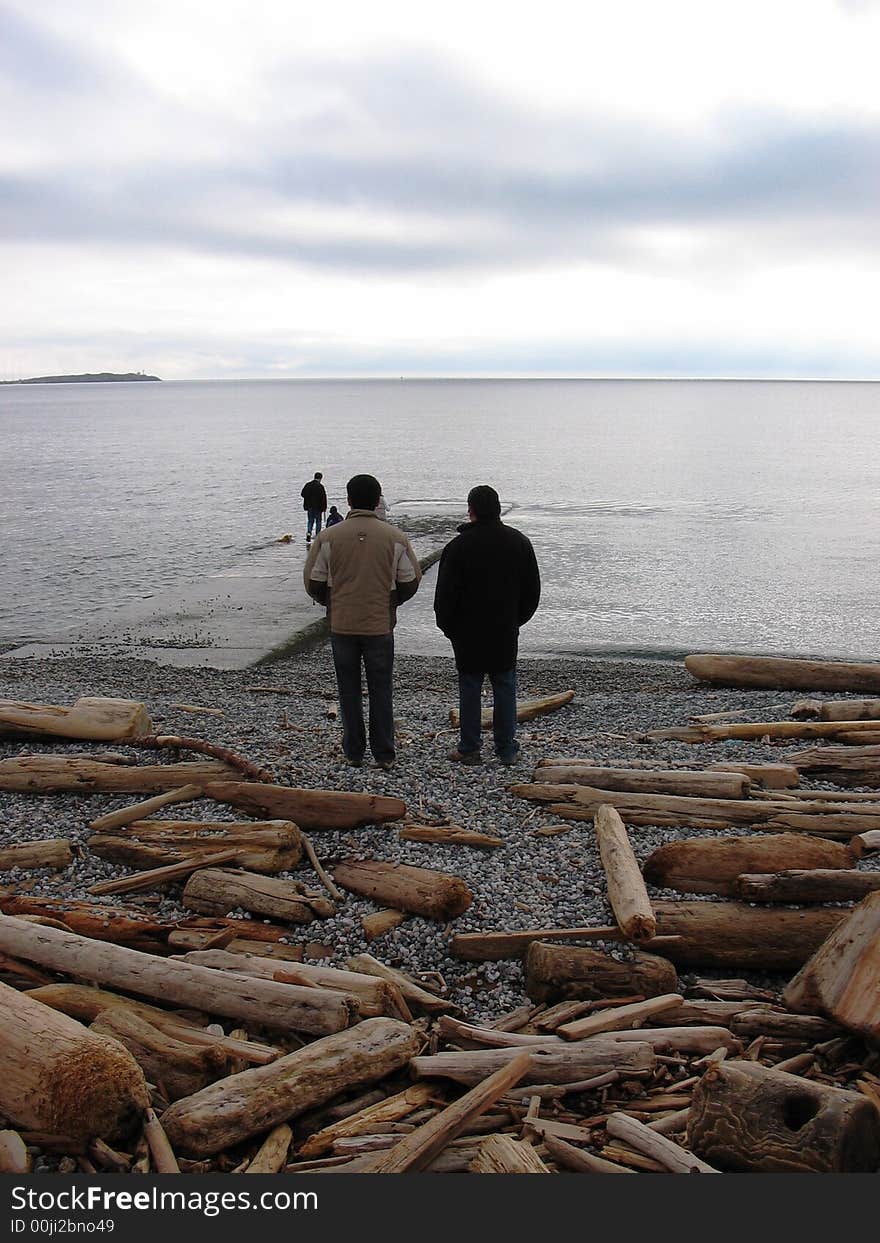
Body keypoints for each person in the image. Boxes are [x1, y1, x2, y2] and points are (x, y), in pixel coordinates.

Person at [304, 474, 421, 769]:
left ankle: (354, 751)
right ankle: (384, 752)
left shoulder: (328, 537)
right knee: (381, 688)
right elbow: (410, 580)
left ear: (348, 500)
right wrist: (392, 600)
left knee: (348, 689)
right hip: (379, 623)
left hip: (342, 623)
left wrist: (330, 601)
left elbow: (313, 581)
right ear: (377, 499)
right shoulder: (394, 537)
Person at [433, 484, 540, 766]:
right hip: (504, 629)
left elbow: (444, 597)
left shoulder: (457, 547)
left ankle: (469, 747)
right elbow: (532, 593)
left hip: (467, 633)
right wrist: (516, 620)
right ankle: (506, 749)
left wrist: (449, 629)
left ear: (471, 512)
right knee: (504, 686)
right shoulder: (519, 543)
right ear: (498, 509)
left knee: (470, 687)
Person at [300, 471, 327, 543]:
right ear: (320, 478)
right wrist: (324, 507)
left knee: (310, 521)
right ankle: (318, 536)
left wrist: (308, 499)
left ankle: (309, 532)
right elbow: (323, 498)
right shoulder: (320, 486)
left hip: (309, 507)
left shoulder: (308, 485)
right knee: (318, 521)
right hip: (318, 507)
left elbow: (302, 494)